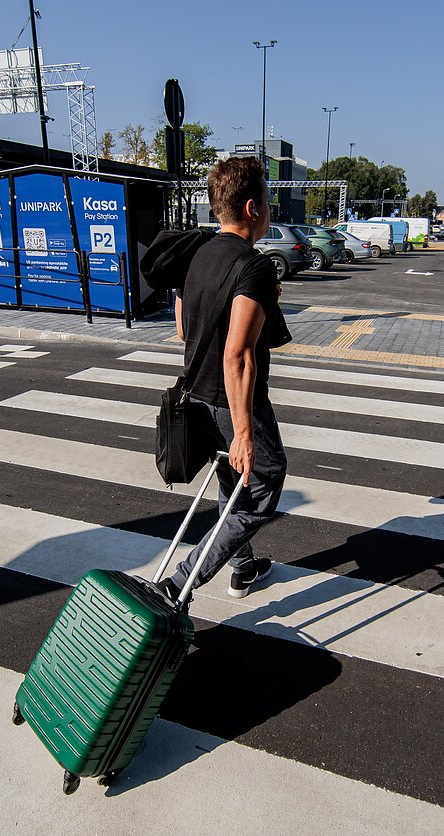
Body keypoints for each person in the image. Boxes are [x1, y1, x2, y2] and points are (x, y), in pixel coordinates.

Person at [157, 156, 288, 604]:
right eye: (268, 200)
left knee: (234, 487)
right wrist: (245, 432)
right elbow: (240, 355)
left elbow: (182, 329)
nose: (270, 209)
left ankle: (244, 566)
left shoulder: (197, 254)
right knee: (264, 482)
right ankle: (179, 584)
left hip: (197, 394)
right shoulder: (254, 266)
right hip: (233, 400)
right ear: (253, 208)